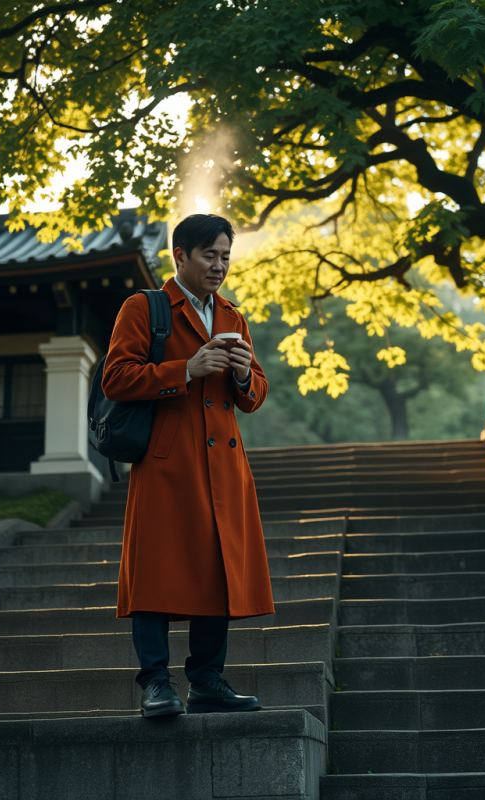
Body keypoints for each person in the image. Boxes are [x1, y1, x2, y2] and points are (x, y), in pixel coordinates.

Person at [101, 213, 275, 717]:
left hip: (224, 466)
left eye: (225, 255)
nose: (220, 265)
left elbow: (255, 395)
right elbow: (116, 378)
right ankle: (156, 683)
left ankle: (207, 681)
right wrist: (187, 369)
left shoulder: (233, 316)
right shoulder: (144, 308)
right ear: (180, 256)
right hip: (166, 463)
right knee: (155, 572)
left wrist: (244, 376)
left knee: (217, 570)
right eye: (209, 255)